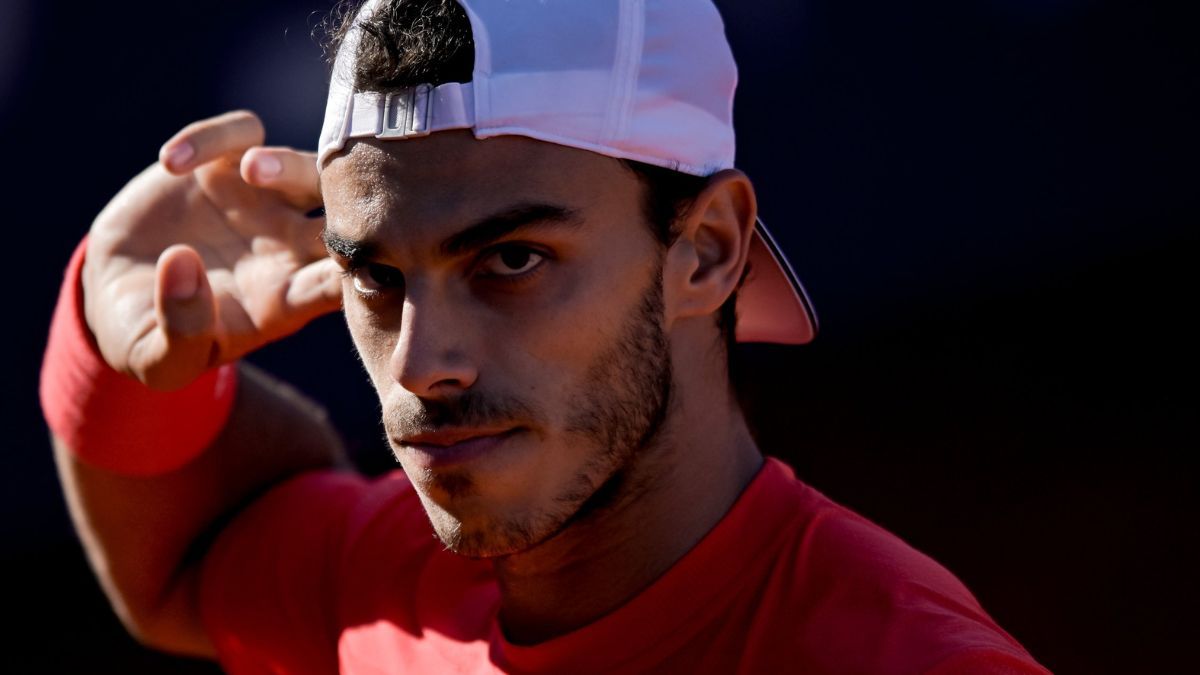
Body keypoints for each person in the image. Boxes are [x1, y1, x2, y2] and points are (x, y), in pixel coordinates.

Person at [40, 1, 1051, 673]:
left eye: (511, 260)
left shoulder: (904, 657)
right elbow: (190, 563)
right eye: (377, 278)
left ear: (707, 251)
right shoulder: (385, 586)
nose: (421, 363)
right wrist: (114, 326)